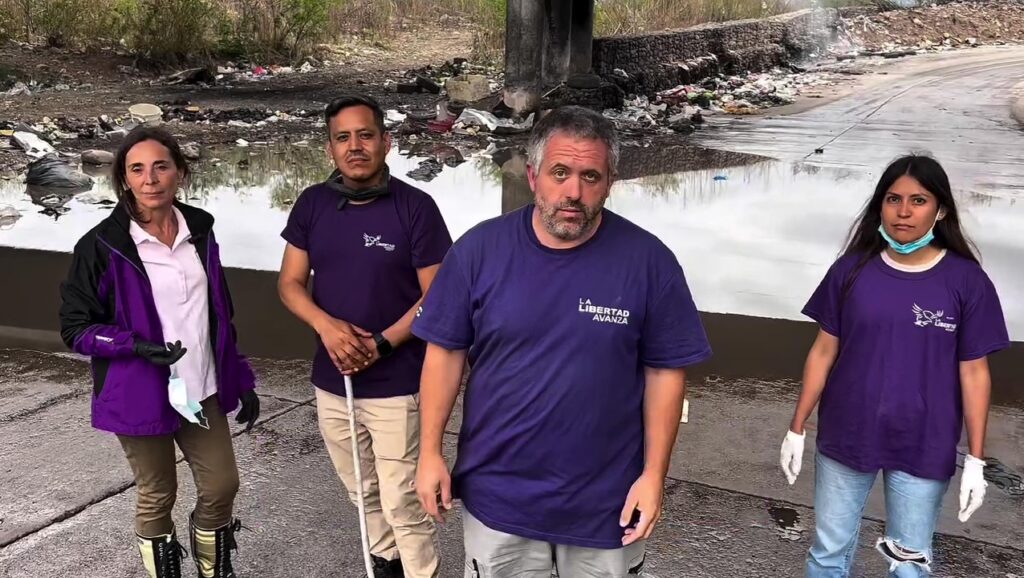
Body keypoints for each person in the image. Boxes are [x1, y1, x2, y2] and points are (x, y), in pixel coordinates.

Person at [412, 105, 713, 577]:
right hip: (500, 497)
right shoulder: (477, 252)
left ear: (610, 181)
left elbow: (665, 373)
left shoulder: (650, 262)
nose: (573, 191)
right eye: (560, 172)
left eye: (590, 176)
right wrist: (430, 453)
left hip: (607, 503)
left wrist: (654, 476)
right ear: (533, 176)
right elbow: (444, 354)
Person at [779, 154, 1010, 577]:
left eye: (918, 201)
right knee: (828, 554)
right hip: (847, 435)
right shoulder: (851, 271)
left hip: (923, 442)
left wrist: (976, 458)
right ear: (879, 206)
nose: (904, 211)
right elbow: (823, 351)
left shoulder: (966, 282)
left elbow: (974, 372)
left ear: (940, 210)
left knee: (909, 564)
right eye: (893, 198)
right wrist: (797, 426)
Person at [59, 126, 260, 578]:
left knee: (222, 485)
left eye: (160, 166)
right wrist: (135, 345)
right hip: (138, 390)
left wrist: (240, 376)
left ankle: (213, 567)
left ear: (180, 174)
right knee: (157, 491)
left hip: (201, 386)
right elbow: (75, 328)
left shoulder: (201, 229)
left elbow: (218, 313)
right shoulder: (101, 246)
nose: (150, 179)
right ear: (124, 180)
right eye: (137, 169)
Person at [278, 94, 450, 578]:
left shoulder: (416, 208)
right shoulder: (313, 203)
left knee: (404, 501)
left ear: (386, 142)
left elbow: (437, 298)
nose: (355, 146)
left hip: (397, 385)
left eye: (365, 135)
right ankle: (386, 566)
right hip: (333, 382)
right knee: (362, 490)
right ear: (330, 148)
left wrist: (382, 344)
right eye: (343, 138)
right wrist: (326, 326)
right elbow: (290, 284)